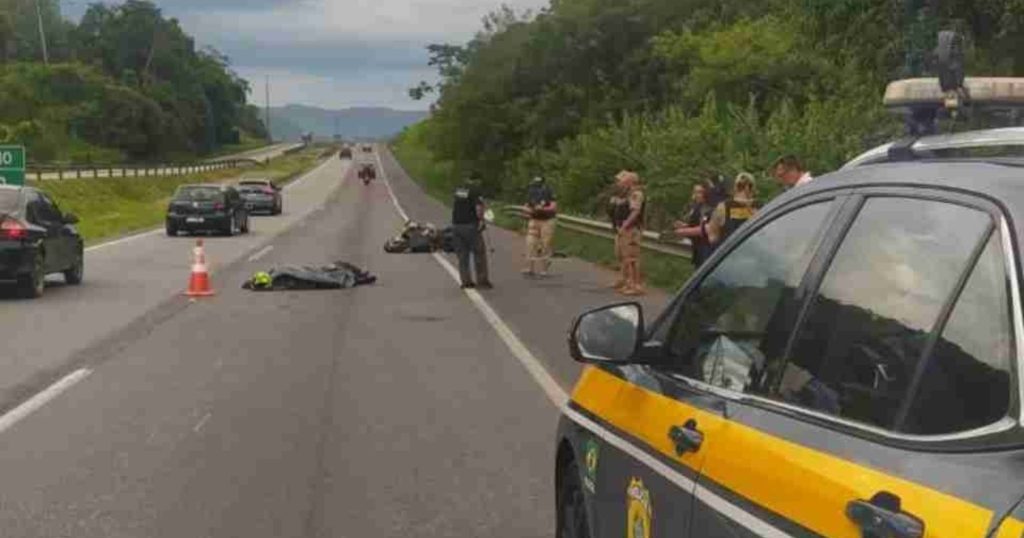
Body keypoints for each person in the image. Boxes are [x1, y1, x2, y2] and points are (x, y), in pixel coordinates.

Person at [451, 178, 492, 289]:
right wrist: (482, 220)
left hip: (456, 225)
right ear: (476, 180)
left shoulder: (458, 191)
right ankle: (482, 281)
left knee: (462, 255)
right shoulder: (475, 190)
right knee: (479, 253)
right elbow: (478, 208)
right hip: (470, 225)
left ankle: (466, 281)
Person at [614, 170, 646, 296]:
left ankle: (636, 285)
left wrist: (625, 225)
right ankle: (628, 282)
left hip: (631, 229)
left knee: (632, 258)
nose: (619, 183)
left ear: (629, 181)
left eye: (621, 180)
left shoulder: (636, 194)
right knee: (626, 257)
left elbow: (635, 212)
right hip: (625, 228)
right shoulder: (627, 194)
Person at [707, 172, 761, 246]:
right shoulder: (759, 208)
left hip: (730, 253)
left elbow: (712, 237)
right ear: (750, 188)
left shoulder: (723, 207)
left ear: (735, 187)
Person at [673, 181, 715, 268]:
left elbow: (706, 229)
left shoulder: (712, 208)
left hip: (708, 248)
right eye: (695, 192)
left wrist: (684, 231)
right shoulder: (697, 206)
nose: (696, 195)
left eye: (699, 192)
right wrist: (684, 226)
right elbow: (696, 224)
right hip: (697, 248)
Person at [523, 176, 558, 276]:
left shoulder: (549, 191)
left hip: (547, 220)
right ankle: (529, 268)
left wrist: (542, 209)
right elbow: (526, 205)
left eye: (538, 184)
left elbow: (554, 207)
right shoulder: (531, 192)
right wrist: (527, 210)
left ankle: (544, 268)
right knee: (530, 243)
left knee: (545, 244)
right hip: (534, 219)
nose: (536, 187)